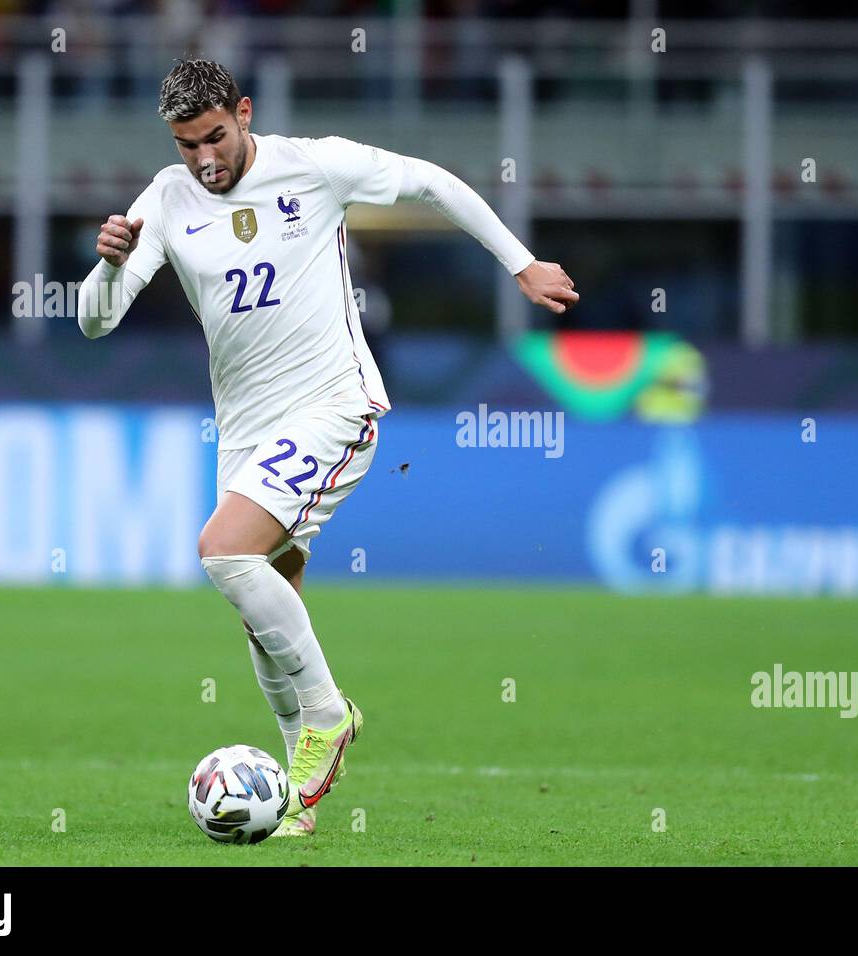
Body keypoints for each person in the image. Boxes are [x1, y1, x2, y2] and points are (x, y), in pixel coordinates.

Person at [76, 58, 578, 836]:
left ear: (244, 113)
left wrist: (521, 262)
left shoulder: (312, 165)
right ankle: (298, 805)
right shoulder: (167, 200)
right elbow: (95, 322)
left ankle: (326, 714)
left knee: (223, 552)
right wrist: (106, 268)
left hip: (332, 404)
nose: (204, 159)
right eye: (186, 145)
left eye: (215, 136)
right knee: (265, 607)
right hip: (244, 429)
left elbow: (431, 183)